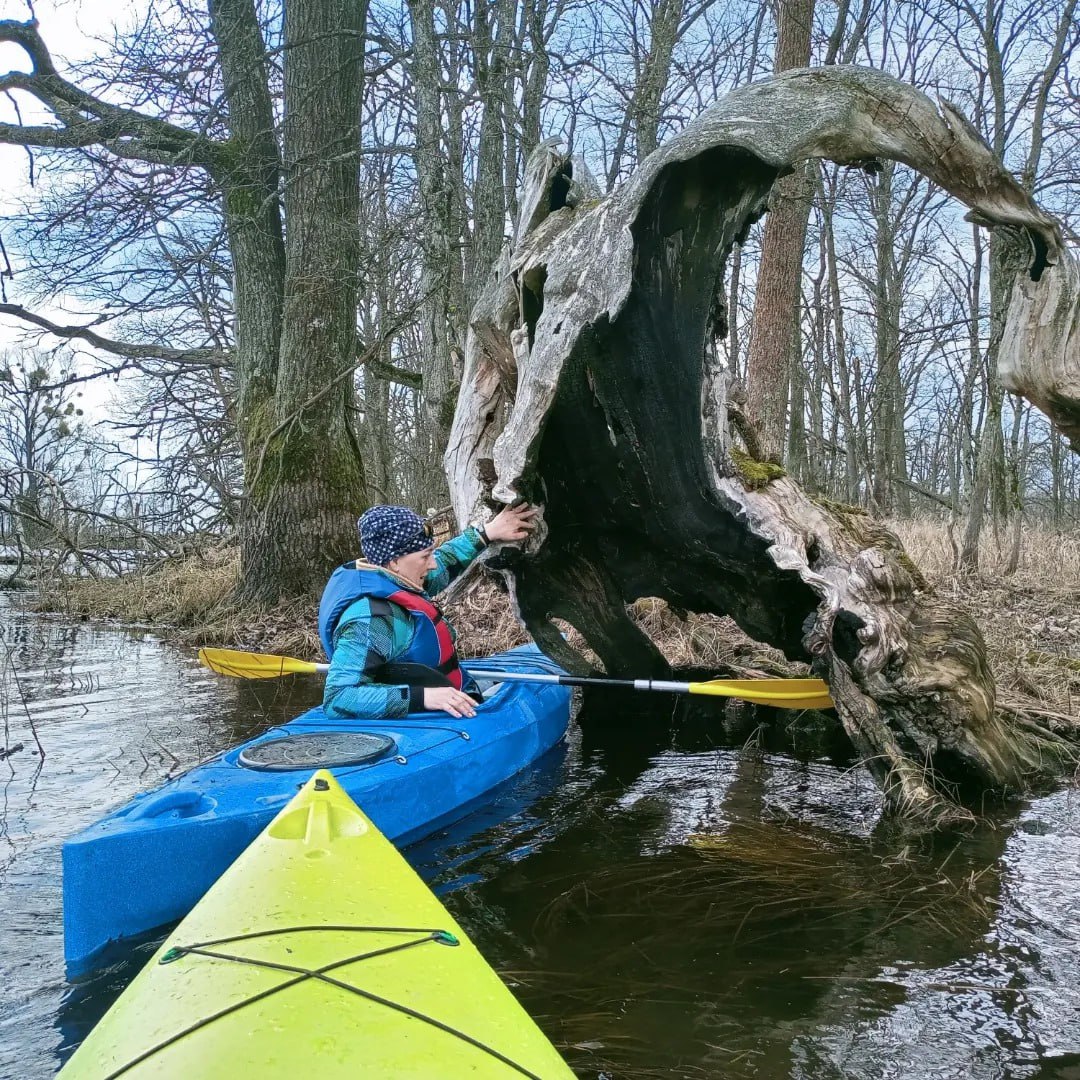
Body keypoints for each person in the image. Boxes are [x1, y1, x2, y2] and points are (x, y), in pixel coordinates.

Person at [318, 503, 537, 720]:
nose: (432, 564)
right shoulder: (372, 621)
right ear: (394, 561)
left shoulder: (397, 577)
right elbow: (339, 698)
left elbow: (446, 561)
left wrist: (486, 533)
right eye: (425, 556)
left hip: (451, 687)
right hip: (425, 708)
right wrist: (423, 697)